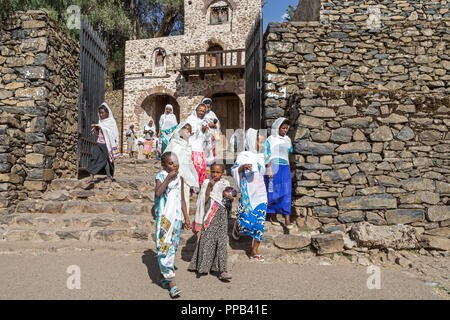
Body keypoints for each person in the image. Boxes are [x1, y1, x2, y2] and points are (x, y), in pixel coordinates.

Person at [189, 163, 234, 281]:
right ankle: (202, 267)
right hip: (210, 214)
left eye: (218, 172)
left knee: (222, 242)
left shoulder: (226, 184)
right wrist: (209, 186)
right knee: (207, 240)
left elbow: (230, 198)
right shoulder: (206, 183)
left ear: (222, 173)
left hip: (222, 215)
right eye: (213, 172)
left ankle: (223, 270)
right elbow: (204, 199)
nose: (215, 174)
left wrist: (230, 197)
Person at [154, 152, 190, 298]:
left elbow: (182, 200)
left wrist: (186, 218)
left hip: (175, 219)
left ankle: (165, 276)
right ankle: (172, 283)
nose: (175, 165)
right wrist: (168, 178)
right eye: (171, 163)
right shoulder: (160, 176)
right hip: (164, 219)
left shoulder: (180, 179)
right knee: (164, 248)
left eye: (176, 162)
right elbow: (158, 193)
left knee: (172, 247)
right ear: (164, 165)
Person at [231, 128, 269, 262]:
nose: (262, 145)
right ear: (252, 141)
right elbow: (234, 169)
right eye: (259, 142)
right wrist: (242, 168)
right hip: (248, 193)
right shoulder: (243, 155)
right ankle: (237, 225)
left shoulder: (261, 156)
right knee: (245, 222)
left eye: (263, 142)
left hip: (261, 193)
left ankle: (254, 251)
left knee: (260, 222)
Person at [163, 122, 199, 216]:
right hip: (173, 175)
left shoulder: (188, 146)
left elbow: (189, 163)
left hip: (185, 177)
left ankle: (182, 219)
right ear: (181, 131)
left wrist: (193, 178)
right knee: (172, 198)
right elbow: (166, 157)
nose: (189, 134)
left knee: (184, 197)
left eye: (190, 132)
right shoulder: (174, 143)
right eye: (187, 131)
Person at [264, 117, 293, 229]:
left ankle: (287, 218)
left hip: (285, 167)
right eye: (283, 128)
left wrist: (289, 170)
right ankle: (273, 215)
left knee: (286, 191)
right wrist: (269, 168)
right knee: (274, 191)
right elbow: (266, 154)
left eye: (286, 128)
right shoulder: (270, 139)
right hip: (274, 166)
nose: (285, 130)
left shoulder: (288, 140)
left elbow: (288, 155)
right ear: (277, 127)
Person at [85, 103, 120, 185]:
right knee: (94, 158)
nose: (100, 114)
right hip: (99, 143)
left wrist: (101, 127)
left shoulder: (111, 121)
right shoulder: (100, 121)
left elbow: (113, 133)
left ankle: (109, 176)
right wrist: (97, 128)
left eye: (102, 113)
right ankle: (91, 177)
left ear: (107, 113)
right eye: (99, 113)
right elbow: (98, 133)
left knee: (106, 161)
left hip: (107, 145)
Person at [186, 103, 213, 187]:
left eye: (203, 111)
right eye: (200, 110)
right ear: (196, 110)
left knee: (201, 168)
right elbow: (185, 133)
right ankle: (192, 186)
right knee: (193, 168)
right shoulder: (190, 120)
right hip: (191, 148)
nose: (201, 113)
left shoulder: (204, 122)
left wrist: (206, 130)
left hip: (201, 149)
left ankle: (199, 186)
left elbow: (207, 137)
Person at [202, 98, 221, 169]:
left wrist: (215, 125)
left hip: (212, 135)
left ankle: (211, 165)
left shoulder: (212, 114)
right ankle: (204, 165)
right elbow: (200, 123)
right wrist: (208, 125)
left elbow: (218, 123)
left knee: (212, 150)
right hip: (204, 136)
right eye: (206, 106)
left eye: (209, 106)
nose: (208, 108)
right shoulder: (201, 113)